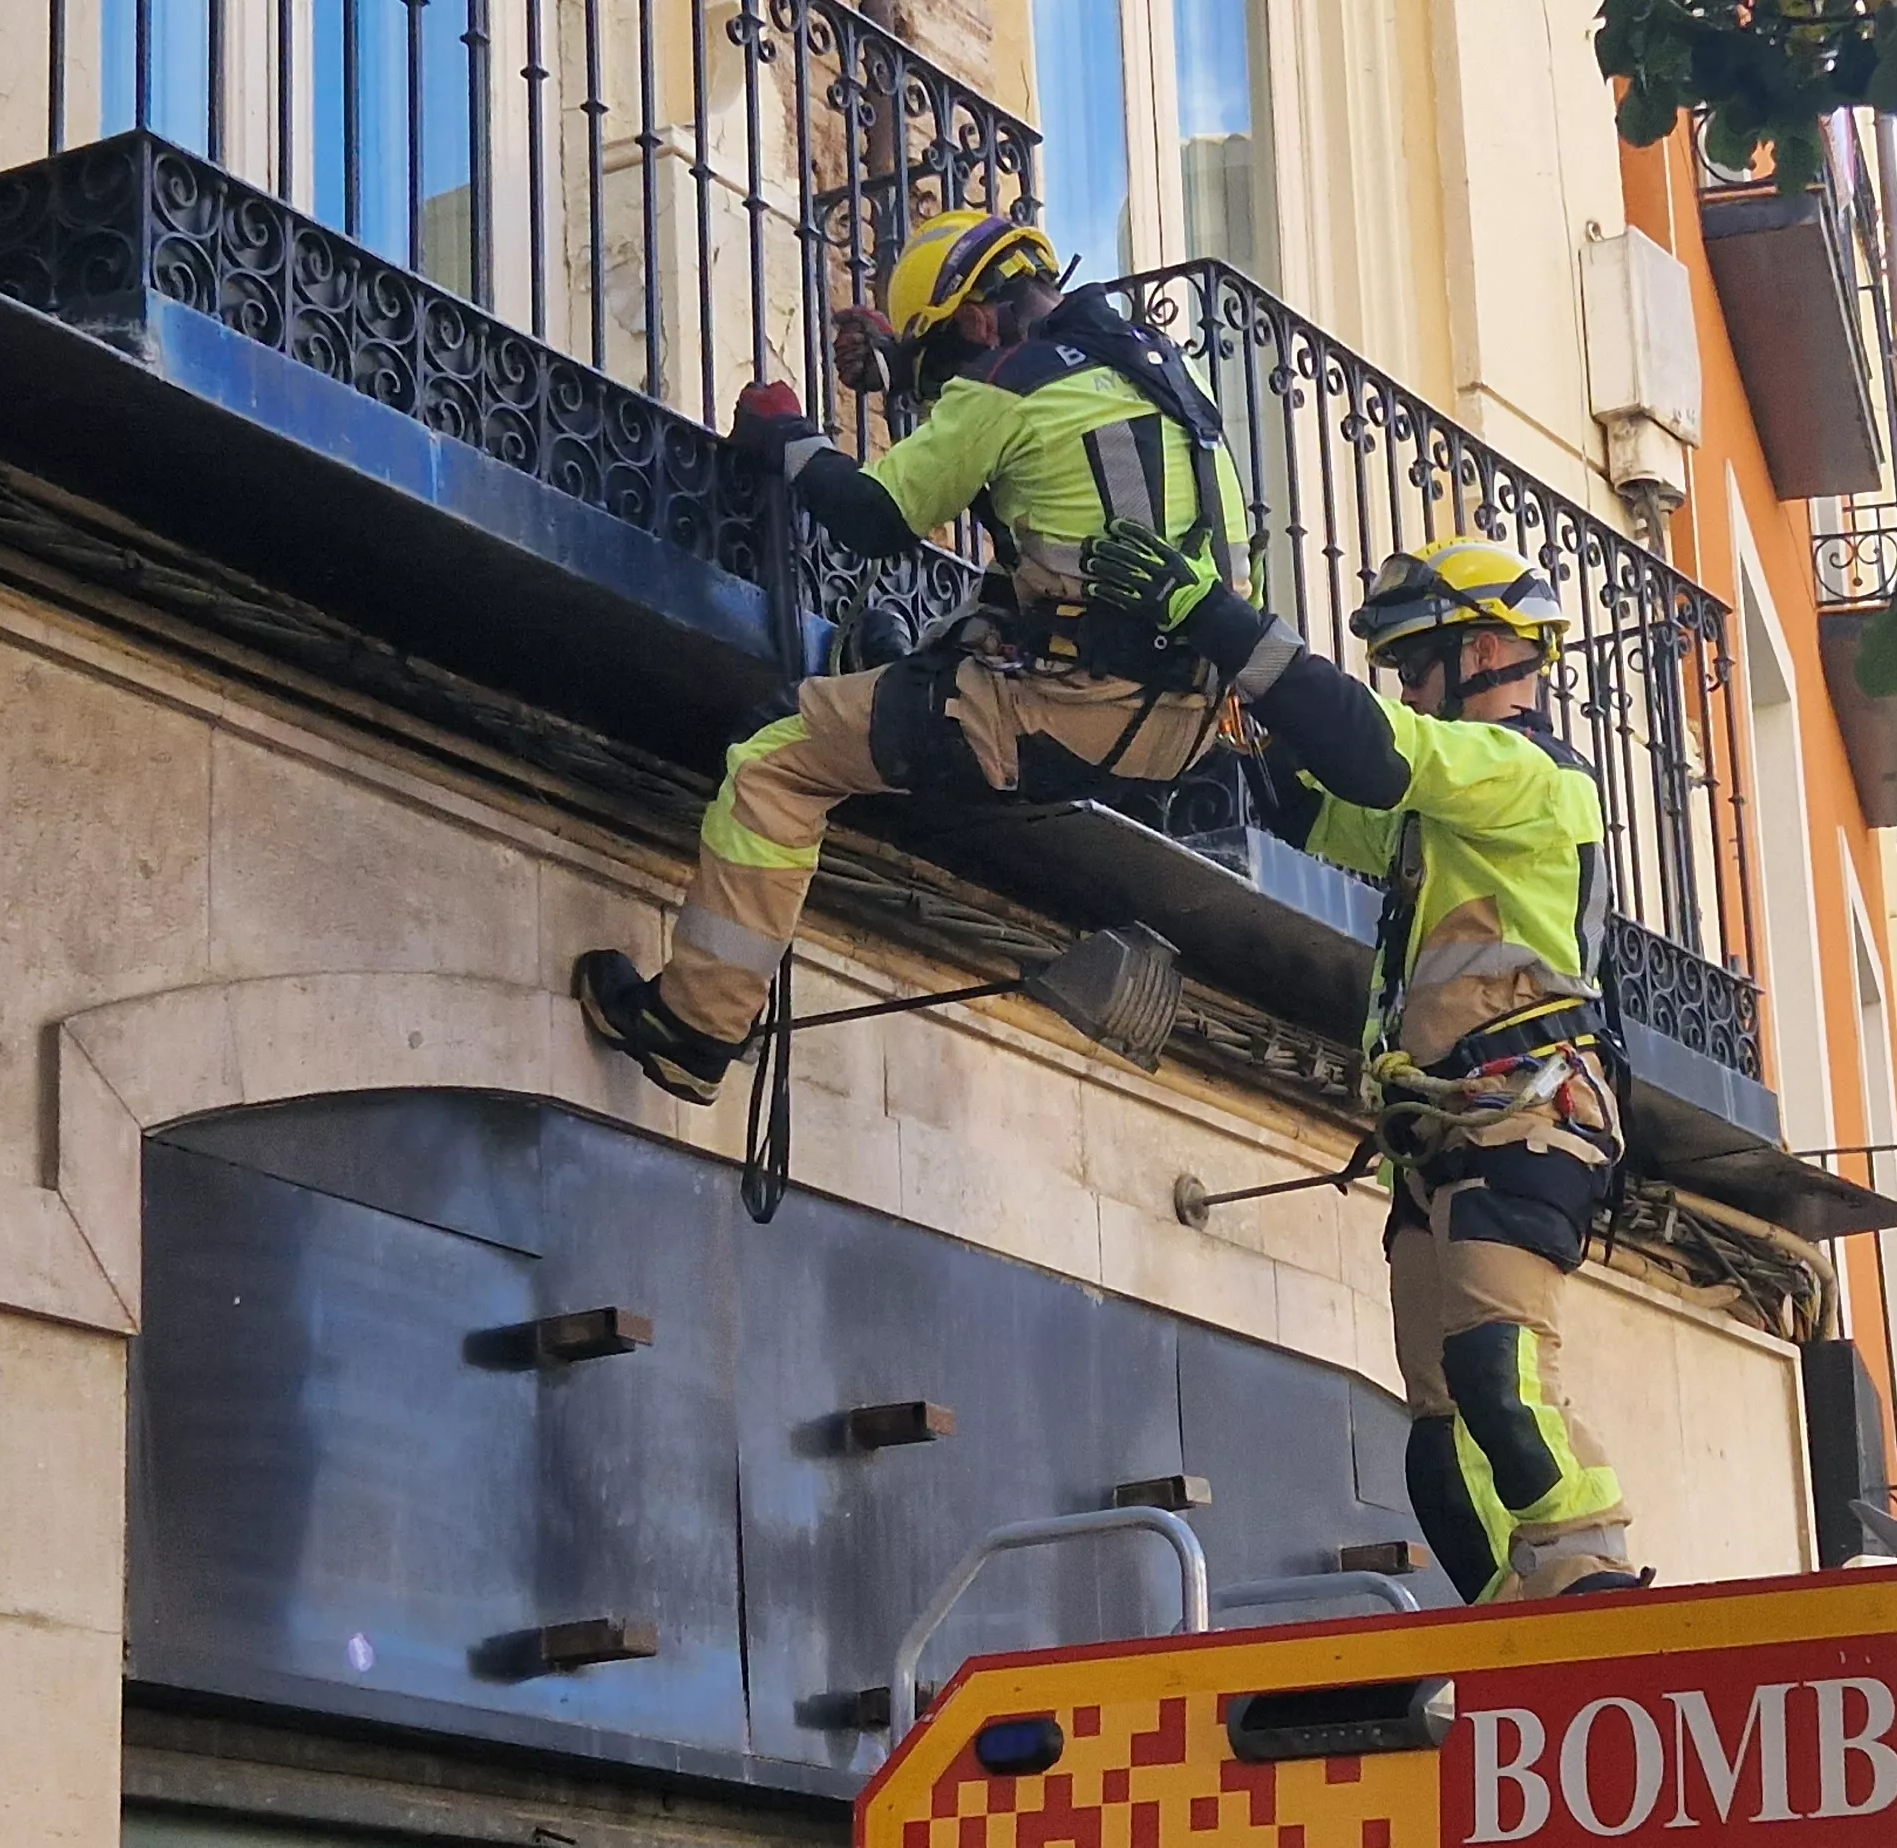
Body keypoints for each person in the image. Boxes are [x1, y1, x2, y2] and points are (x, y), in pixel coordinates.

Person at [573, 209, 1256, 1103]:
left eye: (942, 362)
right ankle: (904, 671)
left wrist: (788, 437)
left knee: (776, 758)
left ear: (976, 322)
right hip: (1187, 725)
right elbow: (1026, 464)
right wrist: (903, 367)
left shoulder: (1005, 387)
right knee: (989, 611)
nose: (943, 389)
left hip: (1070, 710)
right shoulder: (1158, 384)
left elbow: (876, 519)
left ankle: (696, 1025)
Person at [1080, 526, 1641, 1604]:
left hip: (1525, 1108)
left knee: (1499, 1370)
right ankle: (1508, 1614)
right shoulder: (1447, 816)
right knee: (1440, 1434)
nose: (1408, 689)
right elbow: (1324, 801)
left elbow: (1380, 753)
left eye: (1416, 665)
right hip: (1440, 1131)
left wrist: (1226, 624)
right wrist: (1217, 703)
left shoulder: (1530, 774)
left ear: (1484, 655)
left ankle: (1590, 1572)